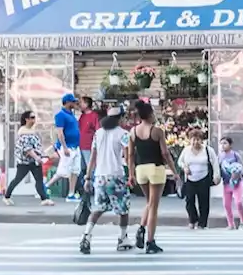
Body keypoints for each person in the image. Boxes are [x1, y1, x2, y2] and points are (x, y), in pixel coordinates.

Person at [79, 106, 137, 254]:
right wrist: (131, 174)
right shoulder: (124, 134)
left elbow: (92, 157)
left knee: (98, 208)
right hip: (116, 175)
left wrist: (87, 176)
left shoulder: (98, 133)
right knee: (123, 209)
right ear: (120, 118)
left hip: (99, 176)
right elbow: (128, 155)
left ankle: (87, 235)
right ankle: (122, 238)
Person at [131, 100, 173, 254]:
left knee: (149, 202)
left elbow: (129, 155)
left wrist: (130, 173)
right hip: (156, 169)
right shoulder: (157, 131)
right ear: (149, 114)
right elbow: (165, 153)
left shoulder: (133, 131)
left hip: (140, 169)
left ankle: (141, 228)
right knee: (154, 207)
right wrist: (174, 171)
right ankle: (150, 241)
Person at [4, 110, 53, 206]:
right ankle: (7, 196)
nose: (34, 120)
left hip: (34, 161)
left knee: (39, 180)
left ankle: (44, 199)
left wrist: (41, 155)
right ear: (26, 119)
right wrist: (36, 157)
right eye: (32, 117)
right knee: (17, 179)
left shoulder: (33, 131)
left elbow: (36, 146)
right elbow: (27, 148)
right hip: (24, 162)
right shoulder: (23, 132)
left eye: (34, 117)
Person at [176, 129, 220, 229]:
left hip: (203, 179)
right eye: (193, 139)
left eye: (198, 139)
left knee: (204, 202)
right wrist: (185, 167)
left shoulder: (208, 150)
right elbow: (180, 162)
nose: (196, 142)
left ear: (202, 140)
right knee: (189, 202)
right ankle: (193, 219)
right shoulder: (186, 150)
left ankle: (202, 223)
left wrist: (216, 176)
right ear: (190, 140)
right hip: (190, 179)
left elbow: (215, 163)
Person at [53, 93, 82, 202]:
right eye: (73, 102)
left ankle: (71, 193)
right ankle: (46, 186)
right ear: (67, 102)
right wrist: (64, 147)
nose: (75, 103)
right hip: (67, 146)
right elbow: (60, 132)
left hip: (75, 146)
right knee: (63, 171)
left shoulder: (71, 115)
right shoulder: (60, 115)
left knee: (75, 170)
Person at [218, 136, 243, 230]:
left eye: (225, 143)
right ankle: (231, 224)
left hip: (237, 182)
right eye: (221, 143)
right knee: (226, 204)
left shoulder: (235, 155)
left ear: (230, 145)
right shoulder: (220, 156)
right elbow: (218, 168)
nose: (223, 145)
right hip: (226, 183)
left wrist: (237, 174)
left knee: (239, 202)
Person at [78, 96, 100, 179]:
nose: (80, 104)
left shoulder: (94, 116)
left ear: (86, 104)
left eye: (82, 103)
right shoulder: (82, 116)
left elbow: (97, 130)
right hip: (80, 145)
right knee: (81, 168)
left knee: (90, 167)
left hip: (88, 145)